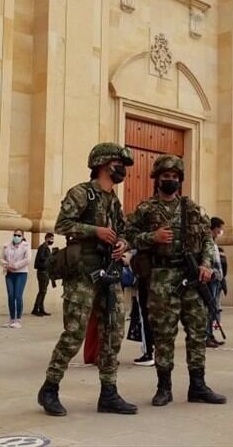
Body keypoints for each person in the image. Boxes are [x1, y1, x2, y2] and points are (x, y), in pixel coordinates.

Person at [37, 142, 136, 416]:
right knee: (74, 333)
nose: (122, 170)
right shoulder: (82, 193)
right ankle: (49, 389)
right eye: (118, 164)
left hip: (109, 272)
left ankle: (109, 393)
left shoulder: (114, 201)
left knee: (113, 332)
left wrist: (122, 243)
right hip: (83, 273)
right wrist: (95, 231)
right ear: (103, 164)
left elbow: (124, 231)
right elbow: (62, 224)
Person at [125, 155, 227, 407]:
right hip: (162, 279)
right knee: (163, 334)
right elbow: (127, 236)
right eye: (165, 176)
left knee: (197, 332)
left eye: (174, 177)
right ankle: (164, 387)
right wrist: (153, 237)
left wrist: (206, 264)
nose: (170, 180)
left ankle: (198, 386)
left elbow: (207, 240)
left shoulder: (192, 208)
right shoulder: (146, 209)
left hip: (191, 278)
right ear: (157, 179)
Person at [0, 229, 30, 328]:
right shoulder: (7, 246)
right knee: (11, 296)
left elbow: (27, 259)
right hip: (9, 272)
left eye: (19, 235)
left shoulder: (26, 246)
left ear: (22, 236)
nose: (16, 237)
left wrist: (15, 266)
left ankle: (18, 320)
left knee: (18, 295)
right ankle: (12, 319)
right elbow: (1, 258)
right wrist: (6, 265)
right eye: (15, 235)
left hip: (21, 273)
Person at [205, 217, 226, 348]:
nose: (221, 231)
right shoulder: (207, 242)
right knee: (209, 309)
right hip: (211, 278)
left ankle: (210, 335)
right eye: (220, 228)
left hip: (216, 279)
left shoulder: (213, 242)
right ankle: (207, 336)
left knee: (214, 309)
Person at [32, 233, 55, 316]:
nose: (52, 240)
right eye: (51, 238)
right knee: (42, 291)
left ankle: (41, 309)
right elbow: (41, 258)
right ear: (46, 238)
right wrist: (51, 257)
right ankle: (35, 309)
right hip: (42, 272)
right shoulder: (42, 247)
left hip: (46, 272)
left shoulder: (46, 248)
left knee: (43, 291)